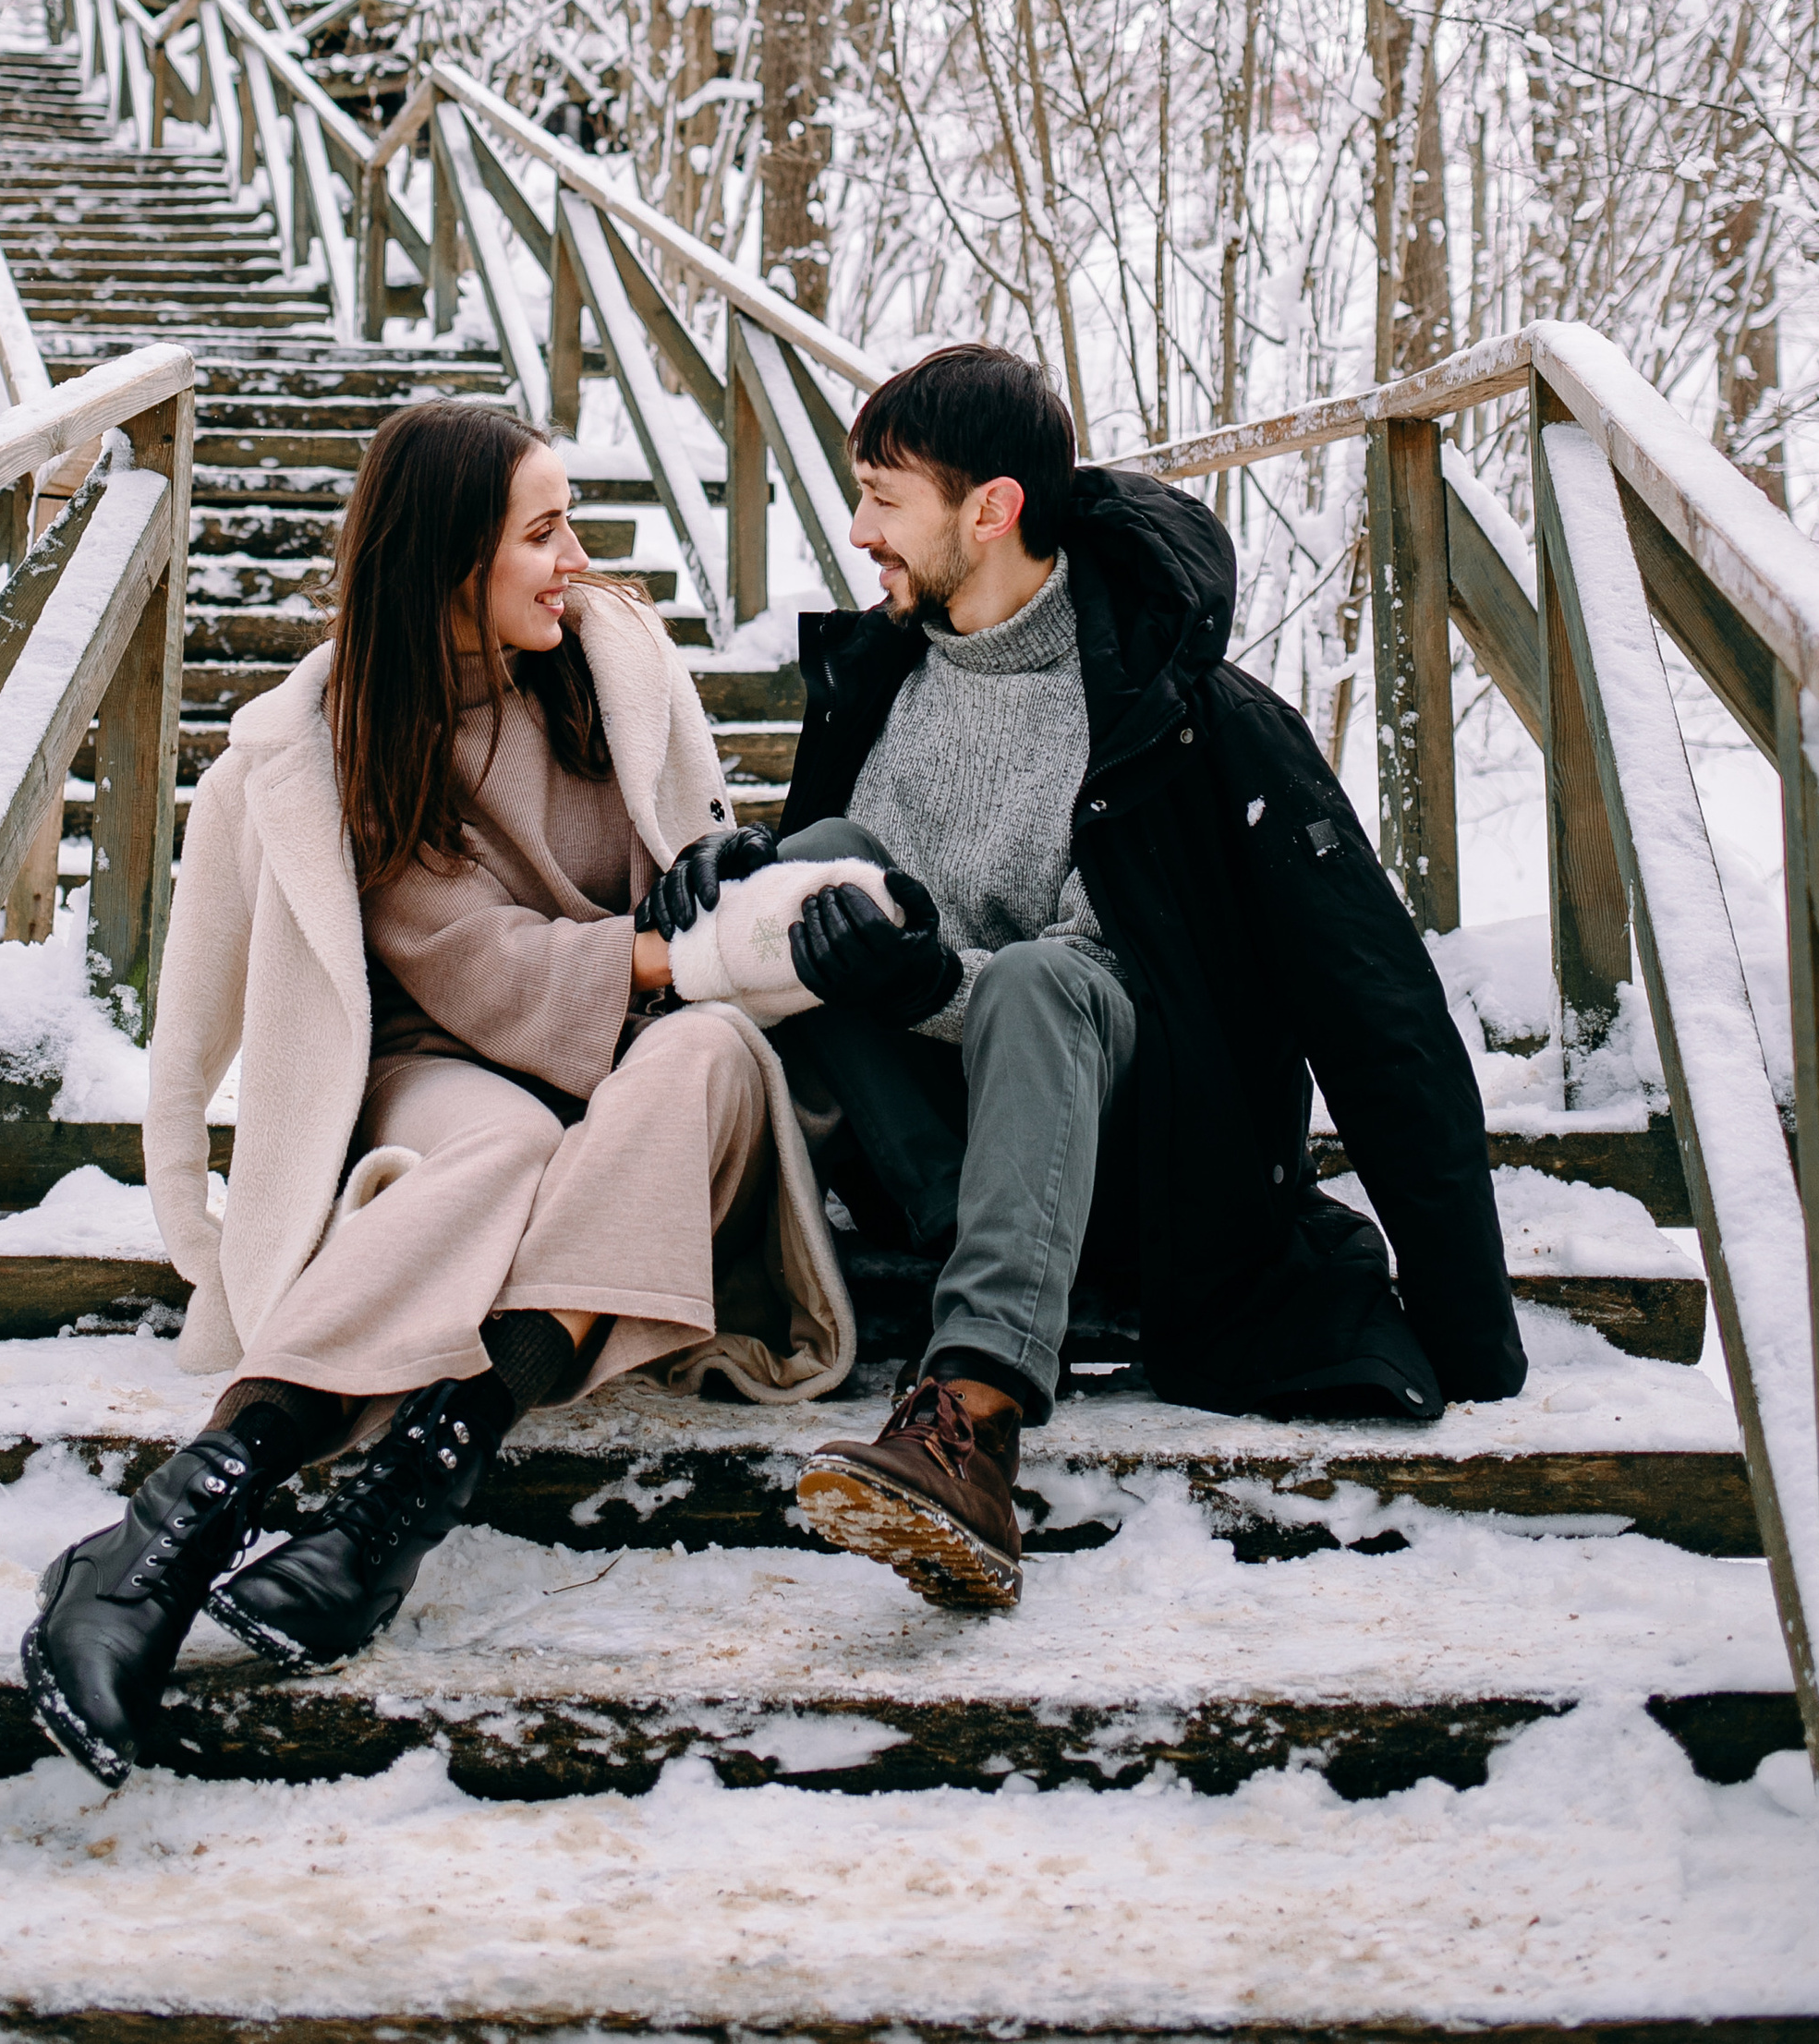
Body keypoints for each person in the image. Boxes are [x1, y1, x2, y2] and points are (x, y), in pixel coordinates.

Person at [22, 398, 852, 1786]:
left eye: (571, 522)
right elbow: (478, 971)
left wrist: (727, 885)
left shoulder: (621, 670)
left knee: (708, 1054)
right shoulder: (347, 738)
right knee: (503, 1146)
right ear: (452, 561)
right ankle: (171, 1531)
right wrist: (194, 1229)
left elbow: (709, 879)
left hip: (653, 1084)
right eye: (542, 530)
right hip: (439, 1070)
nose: (575, 558)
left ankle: (409, 1488)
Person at [640, 344, 1526, 1617]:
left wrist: (1467, 1321)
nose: (859, 532)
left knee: (1041, 978)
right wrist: (739, 877)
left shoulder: (1178, 713)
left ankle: (973, 1427)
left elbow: (1377, 1003)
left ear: (989, 508)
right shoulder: (880, 682)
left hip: (1138, 1185)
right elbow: (839, 930)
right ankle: (908, 1279)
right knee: (824, 863)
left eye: (886, 500)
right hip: (935, 1185)